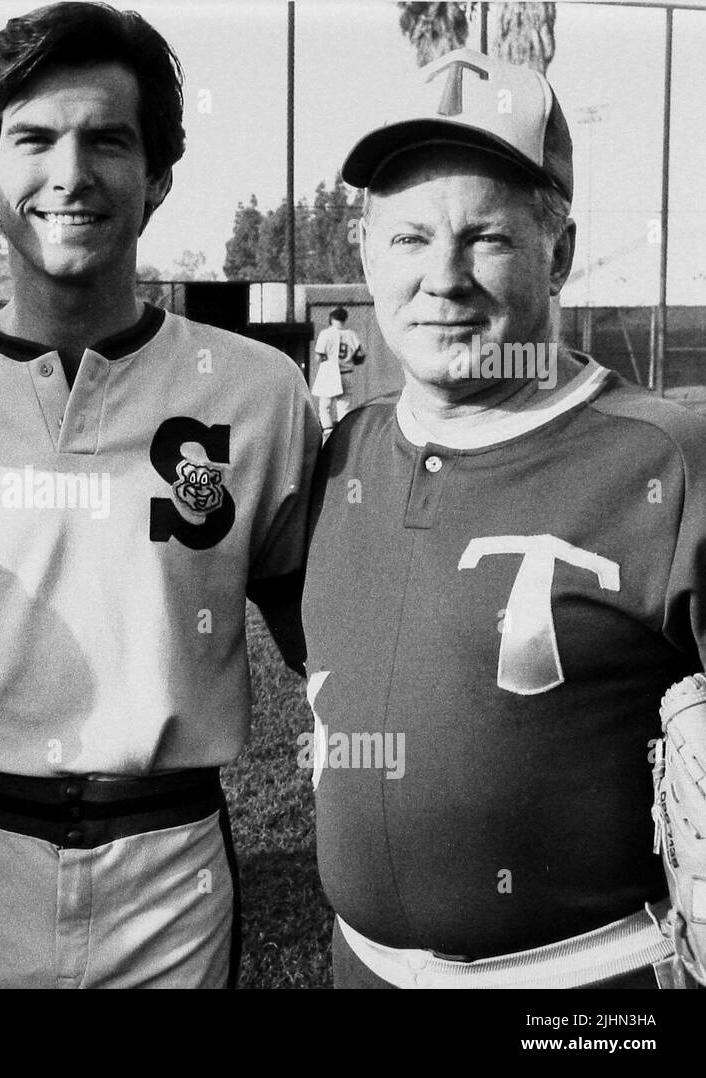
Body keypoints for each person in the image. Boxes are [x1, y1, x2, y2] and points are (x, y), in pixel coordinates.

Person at [0, 1, 318, 988]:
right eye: (33, 140)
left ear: (158, 175)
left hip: (172, 871)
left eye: (108, 141)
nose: (70, 173)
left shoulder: (257, 391)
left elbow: (331, 646)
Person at [302, 48, 693, 988]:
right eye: (407, 239)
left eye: (486, 237)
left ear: (555, 253)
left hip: (588, 996)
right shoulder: (342, 453)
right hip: (359, 971)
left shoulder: (668, 458)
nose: (444, 277)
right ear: (364, 255)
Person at [310, 307, 364, 433]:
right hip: (347, 372)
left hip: (330, 372)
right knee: (344, 407)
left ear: (332, 318)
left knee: (325, 406)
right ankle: (343, 434)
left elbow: (318, 357)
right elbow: (360, 355)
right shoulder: (351, 334)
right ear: (345, 319)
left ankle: (328, 433)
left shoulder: (326, 333)